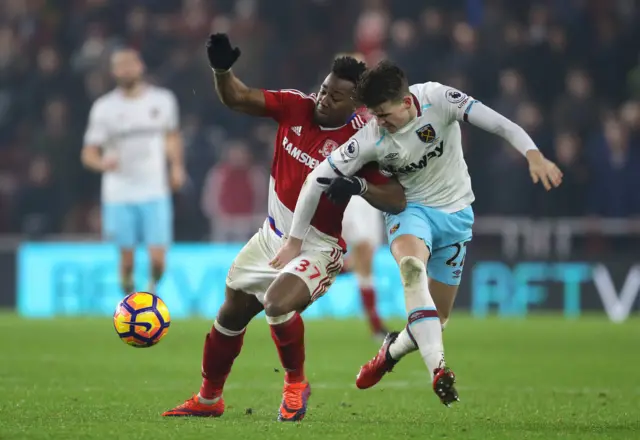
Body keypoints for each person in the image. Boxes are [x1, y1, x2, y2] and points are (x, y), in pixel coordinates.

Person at [270, 61, 563, 406]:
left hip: (456, 215)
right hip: (410, 211)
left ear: (407, 102)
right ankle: (438, 371)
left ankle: (390, 353)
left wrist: (533, 155)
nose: (378, 122)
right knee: (412, 270)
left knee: (437, 320)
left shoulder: (440, 100)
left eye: (384, 114)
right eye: (374, 115)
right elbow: (316, 179)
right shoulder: (370, 137)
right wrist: (294, 240)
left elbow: (498, 123)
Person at [162, 34, 406, 421]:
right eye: (324, 89)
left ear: (355, 105)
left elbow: (397, 197)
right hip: (271, 236)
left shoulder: (361, 144)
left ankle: (295, 385)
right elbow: (238, 97)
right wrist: (222, 70)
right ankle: (209, 399)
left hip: (318, 247)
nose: (323, 99)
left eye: (335, 97)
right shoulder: (296, 106)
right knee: (230, 315)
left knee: (277, 303)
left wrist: (359, 185)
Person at [81, 48, 186, 295]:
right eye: (121, 65)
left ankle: (149, 295)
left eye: (131, 63)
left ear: (141, 66)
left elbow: (172, 137)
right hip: (119, 193)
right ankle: (129, 299)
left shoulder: (163, 100)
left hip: (154, 189)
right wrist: (101, 163)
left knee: (158, 260)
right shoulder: (104, 107)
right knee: (127, 261)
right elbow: (88, 153)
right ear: (114, 71)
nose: (127, 69)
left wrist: (177, 167)